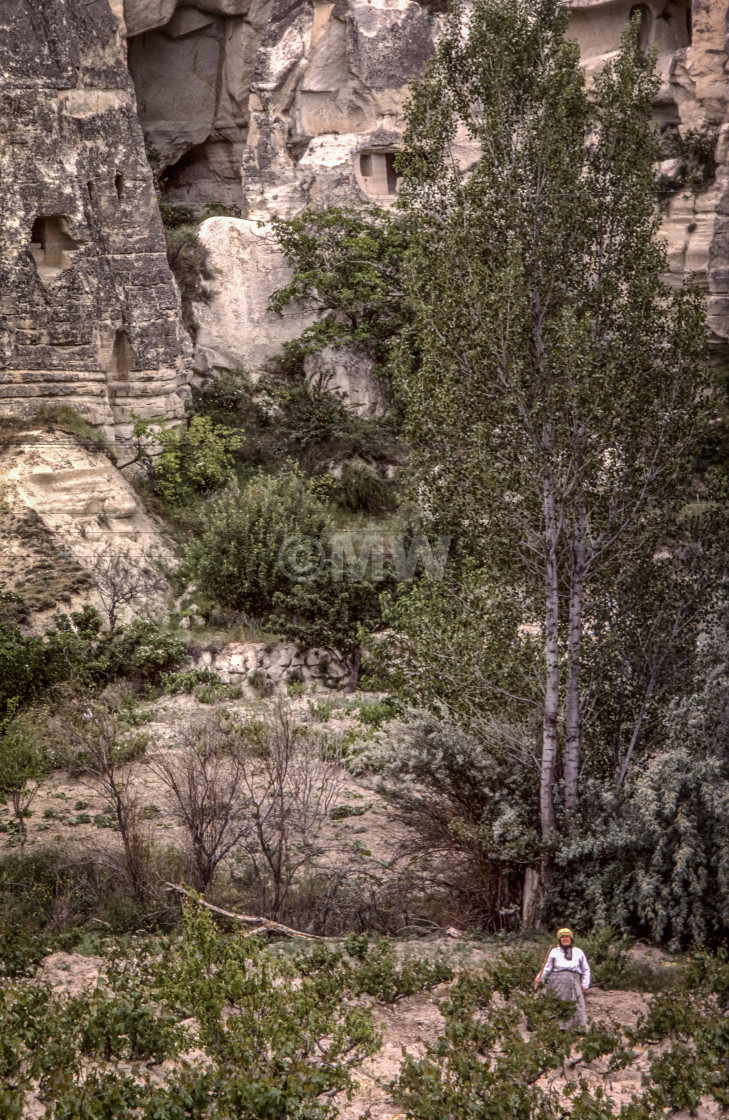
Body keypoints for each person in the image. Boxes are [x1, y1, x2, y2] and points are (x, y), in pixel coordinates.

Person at [536, 927, 591, 1030]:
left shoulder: (579, 952)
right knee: (556, 1003)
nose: (565, 939)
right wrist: (540, 977)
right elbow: (547, 968)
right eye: (562, 937)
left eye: (567, 936)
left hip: (574, 981)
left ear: (571, 938)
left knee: (575, 1004)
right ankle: (558, 1027)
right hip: (556, 982)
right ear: (559, 939)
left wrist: (585, 984)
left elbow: (586, 969)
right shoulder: (554, 952)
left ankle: (576, 1028)